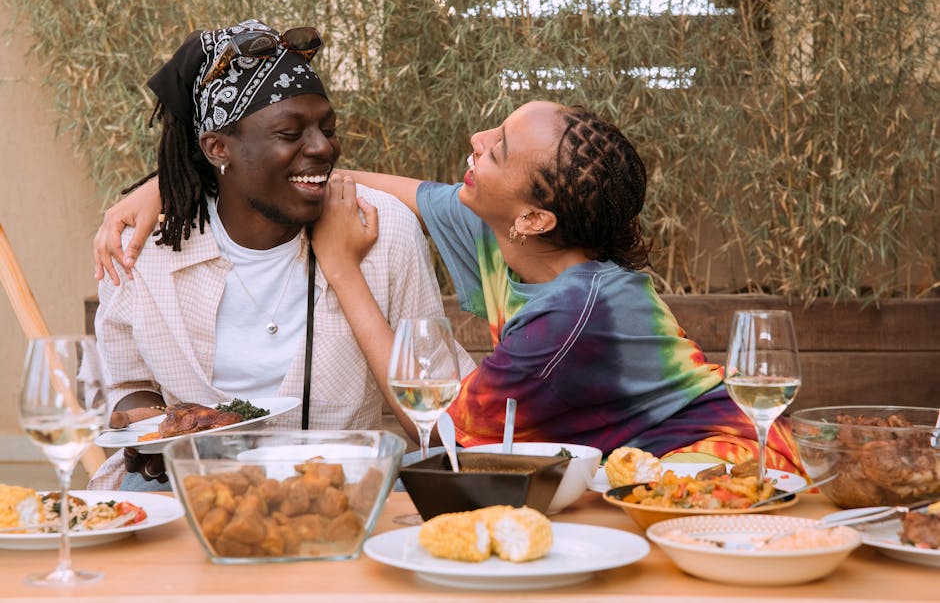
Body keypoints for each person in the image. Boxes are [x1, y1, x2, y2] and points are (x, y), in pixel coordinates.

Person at [96, 101, 803, 474]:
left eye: (495, 149)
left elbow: (448, 430)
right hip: (635, 483)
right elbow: (348, 180)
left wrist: (342, 268)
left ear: (533, 213)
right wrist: (175, 183)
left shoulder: (576, 313)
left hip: (724, 476)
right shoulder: (504, 235)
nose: (475, 136)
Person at [89, 18, 470, 491]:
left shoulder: (383, 228)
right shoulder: (143, 248)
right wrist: (147, 427)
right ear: (217, 148)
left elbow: (440, 418)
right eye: (291, 134)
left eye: (327, 128)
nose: (323, 147)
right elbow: (129, 387)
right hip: (195, 486)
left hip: (351, 487)